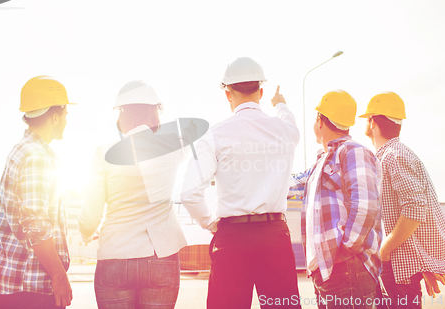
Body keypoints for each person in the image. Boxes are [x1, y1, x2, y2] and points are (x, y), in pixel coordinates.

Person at [181, 57, 301, 308]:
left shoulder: (214, 135)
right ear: (261, 91)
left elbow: (190, 193)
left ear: (228, 94)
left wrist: (213, 225)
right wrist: (281, 105)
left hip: (232, 239)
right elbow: (292, 125)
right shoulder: (285, 132)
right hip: (275, 237)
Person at [78, 81, 192, 309]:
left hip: (115, 255)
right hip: (161, 255)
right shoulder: (175, 148)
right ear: (154, 112)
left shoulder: (103, 153)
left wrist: (87, 232)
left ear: (120, 114)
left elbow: (91, 213)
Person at [0, 76, 74, 309]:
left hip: (11, 284)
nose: (66, 121)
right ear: (54, 116)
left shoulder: (21, 150)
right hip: (30, 288)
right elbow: (35, 223)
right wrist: (59, 276)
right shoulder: (37, 157)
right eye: (65, 115)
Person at [360, 92, 445, 308]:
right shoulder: (393, 155)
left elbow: (415, 209)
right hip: (397, 265)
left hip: (395, 266)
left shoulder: (394, 156)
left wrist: (385, 249)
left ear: (373, 121)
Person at [289, 90, 382, 309]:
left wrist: (344, 251)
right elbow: (292, 184)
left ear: (320, 121)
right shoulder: (323, 161)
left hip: (347, 268)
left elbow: (366, 205)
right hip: (331, 270)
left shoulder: (352, 151)